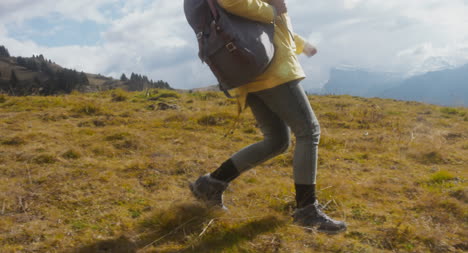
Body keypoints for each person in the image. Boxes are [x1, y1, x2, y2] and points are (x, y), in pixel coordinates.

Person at [189, 0, 347, 234]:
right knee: (308, 131)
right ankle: (307, 211)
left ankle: (211, 184)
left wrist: (302, 44)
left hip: (251, 67)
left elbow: (263, 26)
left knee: (277, 140)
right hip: (271, 69)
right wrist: (274, 9)